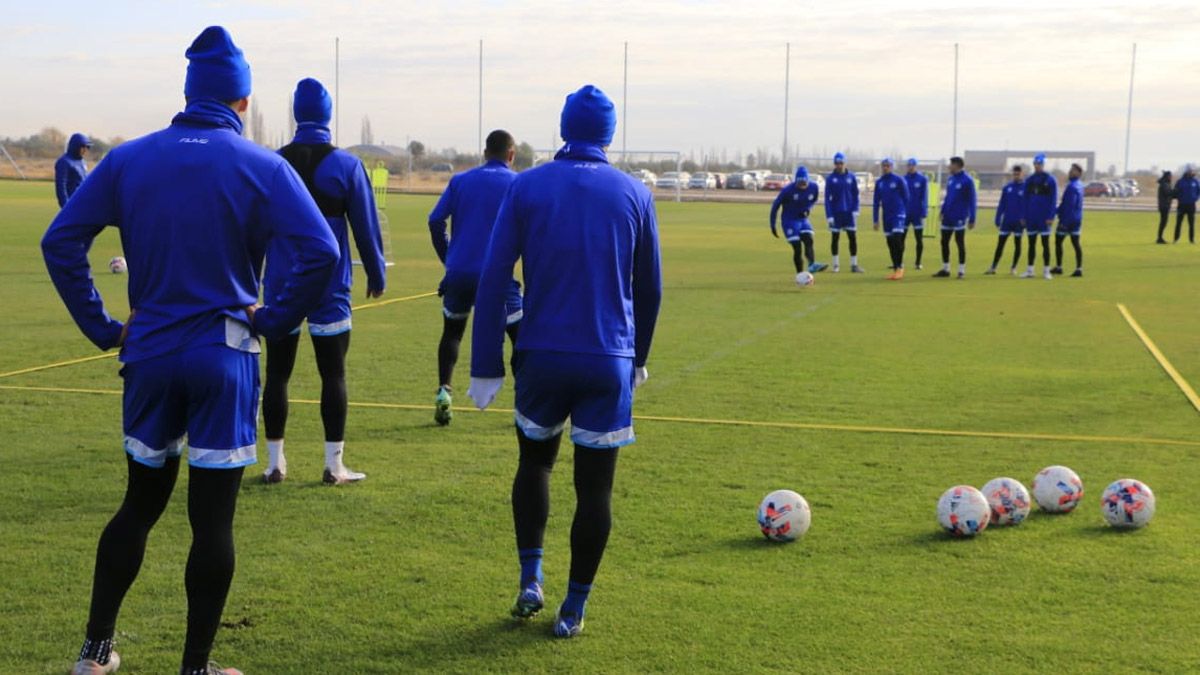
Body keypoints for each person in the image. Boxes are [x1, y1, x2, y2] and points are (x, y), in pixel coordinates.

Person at [41, 26, 339, 675]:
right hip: (225, 356)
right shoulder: (264, 165)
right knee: (212, 521)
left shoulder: (127, 159)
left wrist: (103, 326)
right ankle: (195, 666)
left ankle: (94, 653)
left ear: (187, 93)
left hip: (147, 353)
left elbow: (60, 242)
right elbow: (322, 252)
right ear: (242, 101)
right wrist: (276, 318)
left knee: (139, 503)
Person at [467, 85, 661, 639]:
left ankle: (531, 577)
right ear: (609, 133)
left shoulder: (526, 186)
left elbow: (494, 275)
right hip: (608, 359)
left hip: (542, 356)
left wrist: (485, 364)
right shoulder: (635, 193)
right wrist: (639, 357)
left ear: (563, 127)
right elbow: (651, 289)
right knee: (594, 490)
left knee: (535, 465)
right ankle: (573, 609)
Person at [260, 78, 388, 485]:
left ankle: (275, 463)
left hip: (281, 283)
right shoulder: (347, 166)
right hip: (330, 285)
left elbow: (255, 226)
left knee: (277, 374)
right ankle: (334, 466)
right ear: (328, 114)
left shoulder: (273, 163)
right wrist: (377, 272)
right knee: (333, 374)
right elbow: (366, 227)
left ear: (296, 113)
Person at [428, 129, 523, 426]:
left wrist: (450, 260)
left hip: (459, 273)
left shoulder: (460, 181)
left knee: (453, 332)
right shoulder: (518, 183)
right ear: (511, 155)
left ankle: (444, 393)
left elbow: (435, 221)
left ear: (484, 153)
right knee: (519, 339)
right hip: (497, 276)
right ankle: (524, 405)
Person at [770, 165, 827, 275]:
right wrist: (773, 225)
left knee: (809, 240)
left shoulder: (814, 187)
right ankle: (800, 274)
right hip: (789, 221)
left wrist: (808, 209)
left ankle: (811, 265)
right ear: (796, 181)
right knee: (797, 247)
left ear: (808, 180)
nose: (802, 186)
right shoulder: (787, 190)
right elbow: (775, 206)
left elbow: (813, 200)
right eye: (799, 183)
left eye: (804, 183)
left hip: (803, 220)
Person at [933, 156, 976, 278]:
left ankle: (961, 270)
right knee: (944, 242)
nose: (948, 166)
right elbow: (948, 197)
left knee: (959, 242)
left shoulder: (967, 180)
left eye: (950, 164)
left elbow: (972, 200)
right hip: (948, 216)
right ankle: (945, 269)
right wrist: (942, 211)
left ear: (957, 165)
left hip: (960, 216)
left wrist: (972, 218)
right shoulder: (951, 179)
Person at [872, 158, 910, 280]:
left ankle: (900, 266)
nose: (885, 168)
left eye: (888, 166)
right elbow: (876, 202)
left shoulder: (899, 180)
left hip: (898, 214)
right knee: (890, 242)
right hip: (886, 216)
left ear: (892, 167)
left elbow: (906, 197)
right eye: (884, 166)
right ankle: (895, 269)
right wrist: (875, 219)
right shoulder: (880, 182)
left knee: (897, 239)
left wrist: (903, 212)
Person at [824, 152, 862, 273]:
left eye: (841, 163)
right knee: (835, 238)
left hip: (849, 213)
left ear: (845, 163)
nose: (839, 165)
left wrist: (856, 209)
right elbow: (827, 198)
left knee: (852, 238)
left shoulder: (851, 177)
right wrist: (829, 215)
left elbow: (856, 195)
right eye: (837, 163)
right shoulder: (830, 179)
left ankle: (854, 265)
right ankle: (836, 265)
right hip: (836, 213)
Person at [1020, 153, 1056, 279]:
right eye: (1035, 164)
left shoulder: (1050, 180)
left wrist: (1051, 216)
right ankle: (1030, 270)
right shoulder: (1029, 180)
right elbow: (1025, 199)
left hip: (1044, 217)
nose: (1037, 166)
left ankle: (1046, 271)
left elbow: (1053, 200)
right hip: (1031, 217)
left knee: (1045, 244)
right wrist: (1023, 216)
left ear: (1043, 164)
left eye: (1039, 164)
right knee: (1031, 244)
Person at [987, 165, 1026, 275]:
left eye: (1018, 174)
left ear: (1022, 174)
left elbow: (1028, 205)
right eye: (1014, 174)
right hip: (1007, 221)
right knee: (1000, 244)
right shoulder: (1007, 187)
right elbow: (1002, 204)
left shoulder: (1026, 188)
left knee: (1017, 244)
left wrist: (1025, 218)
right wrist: (998, 217)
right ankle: (993, 267)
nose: (1016, 176)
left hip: (1019, 222)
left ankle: (1013, 268)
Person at [1053, 163, 1085, 276]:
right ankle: (1079, 268)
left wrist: (1063, 221)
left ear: (1079, 173)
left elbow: (1068, 205)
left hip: (1068, 219)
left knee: (1058, 241)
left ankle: (1059, 267)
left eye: (1073, 170)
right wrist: (1056, 211)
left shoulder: (1072, 187)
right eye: (1070, 170)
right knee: (1075, 243)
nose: (1070, 172)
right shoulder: (1080, 185)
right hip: (1077, 219)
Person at [902, 158, 928, 270]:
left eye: (912, 165)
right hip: (905, 213)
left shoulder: (922, 179)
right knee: (901, 238)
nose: (910, 167)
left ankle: (918, 262)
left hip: (917, 213)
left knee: (919, 239)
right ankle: (899, 262)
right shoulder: (903, 179)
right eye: (909, 165)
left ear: (916, 166)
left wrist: (924, 211)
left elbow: (925, 196)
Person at [55, 133, 92, 207]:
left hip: (84, 202)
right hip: (72, 203)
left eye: (88, 147)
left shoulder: (82, 162)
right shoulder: (64, 161)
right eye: (83, 146)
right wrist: (66, 206)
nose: (85, 149)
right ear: (75, 146)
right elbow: (61, 186)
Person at [1174, 165, 1198, 244]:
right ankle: (1176, 239)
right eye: (1189, 171)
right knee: (1178, 223)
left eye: (1191, 171)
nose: (1190, 172)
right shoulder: (1180, 181)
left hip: (1191, 205)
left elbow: (1198, 191)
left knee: (1191, 223)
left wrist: (1196, 198)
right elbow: (1176, 191)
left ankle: (1191, 240)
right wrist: (1179, 198)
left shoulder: (1195, 181)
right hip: (1182, 205)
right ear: (1186, 172)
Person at [1156, 170, 1173, 244]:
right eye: (1170, 176)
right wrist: (1176, 192)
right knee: (1163, 222)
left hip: (1165, 205)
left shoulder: (1165, 183)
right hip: (1164, 206)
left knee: (1163, 222)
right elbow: (1168, 193)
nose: (1171, 177)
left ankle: (1160, 237)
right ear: (1167, 176)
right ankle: (1159, 238)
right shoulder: (1164, 184)